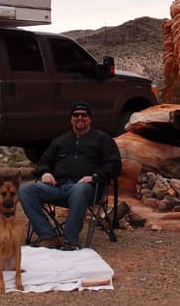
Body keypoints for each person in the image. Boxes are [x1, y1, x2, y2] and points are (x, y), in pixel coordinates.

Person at [19, 100, 122, 251]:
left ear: (90, 118)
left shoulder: (103, 139)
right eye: (76, 115)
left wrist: (95, 176)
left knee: (79, 189)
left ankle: (69, 241)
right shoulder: (60, 141)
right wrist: (46, 172)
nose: (80, 118)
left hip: (88, 189)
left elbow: (114, 164)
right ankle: (48, 236)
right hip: (59, 188)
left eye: (84, 115)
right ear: (71, 118)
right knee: (26, 190)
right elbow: (43, 162)